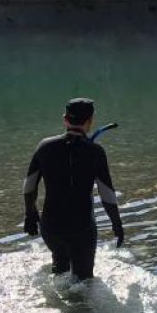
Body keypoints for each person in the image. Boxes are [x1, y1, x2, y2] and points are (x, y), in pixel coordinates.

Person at [23, 98, 125, 280]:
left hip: (51, 227)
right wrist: (116, 223)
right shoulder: (95, 152)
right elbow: (107, 194)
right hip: (81, 228)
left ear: (65, 119)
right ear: (90, 121)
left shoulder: (44, 146)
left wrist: (30, 214)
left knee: (60, 268)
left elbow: (29, 186)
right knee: (83, 282)